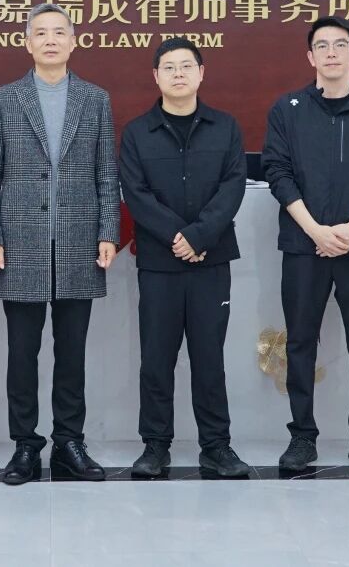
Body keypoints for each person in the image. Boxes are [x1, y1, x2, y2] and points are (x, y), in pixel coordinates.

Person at [0, 3, 119, 485]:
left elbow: (106, 172)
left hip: (79, 241)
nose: (51, 40)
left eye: (60, 32)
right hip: (19, 243)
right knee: (22, 353)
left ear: (74, 42)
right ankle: (24, 445)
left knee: (71, 353)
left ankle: (69, 443)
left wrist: (108, 231)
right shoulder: (5, 99)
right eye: (41, 33)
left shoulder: (95, 98)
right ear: (28, 43)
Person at [262, 16, 349, 475]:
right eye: (322, 46)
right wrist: (316, 231)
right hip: (304, 246)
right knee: (301, 342)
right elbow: (277, 173)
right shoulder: (288, 109)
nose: (331, 53)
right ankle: (302, 437)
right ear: (310, 57)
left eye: (340, 45)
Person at [119, 37, 250, 478]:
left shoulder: (225, 127)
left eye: (186, 66)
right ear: (156, 77)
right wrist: (178, 237)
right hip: (160, 263)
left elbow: (232, 186)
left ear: (201, 73)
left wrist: (198, 236)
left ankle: (216, 446)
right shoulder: (137, 132)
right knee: (157, 358)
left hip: (211, 260)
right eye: (169, 67)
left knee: (209, 356)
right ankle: (155, 446)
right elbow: (136, 194)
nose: (178, 73)